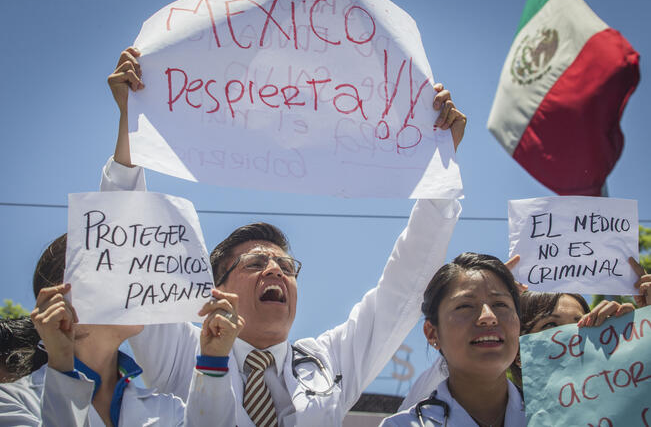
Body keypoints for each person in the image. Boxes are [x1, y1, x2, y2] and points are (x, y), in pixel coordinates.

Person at [101, 47, 466, 426]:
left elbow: (402, 290)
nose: (275, 271)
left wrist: (441, 167)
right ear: (216, 289)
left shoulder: (329, 361)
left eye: (286, 266)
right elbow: (130, 253)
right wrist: (132, 121)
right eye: (256, 263)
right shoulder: (180, 351)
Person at [1, 233, 242, 426]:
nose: (134, 284)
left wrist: (213, 362)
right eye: (112, 269)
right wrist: (62, 367)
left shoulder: (169, 410)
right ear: (60, 296)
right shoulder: (10, 401)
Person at [398, 255, 645, 411]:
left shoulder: (626, 408)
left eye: (584, 324)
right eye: (550, 327)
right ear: (519, 348)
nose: (572, 337)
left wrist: (644, 335)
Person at [381, 252, 526, 427]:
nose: (489, 317)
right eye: (465, 306)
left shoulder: (558, 417)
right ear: (432, 333)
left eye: (501, 304)